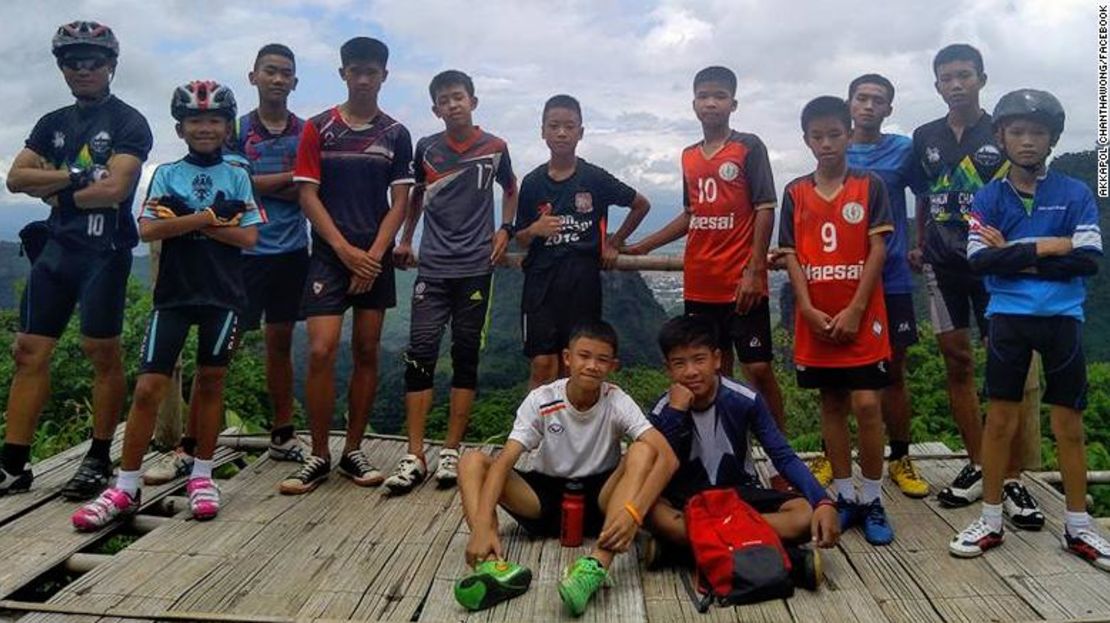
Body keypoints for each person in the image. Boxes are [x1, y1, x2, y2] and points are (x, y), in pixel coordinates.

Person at [71, 81, 262, 529]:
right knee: (147, 389)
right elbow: (147, 230)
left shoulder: (238, 173)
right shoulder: (167, 173)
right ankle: (125, 485)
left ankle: (201, 475)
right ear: (180, 127)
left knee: (211, 383)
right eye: (195, 120)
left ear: (227, 126)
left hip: (223, 294)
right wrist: (210, 218)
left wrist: (184, 220)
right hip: (174, 295)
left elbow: (250, 237)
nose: (205, 128)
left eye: (214, 120)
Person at [951, 89, 1109, 568]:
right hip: (1010, 318)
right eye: (1016, 131)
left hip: (1062, 318)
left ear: (1052, 139)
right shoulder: (989, 195)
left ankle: (1079, 526)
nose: (1026, 141)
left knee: (1069, 426)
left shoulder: (1075, 192)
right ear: (1000, 136)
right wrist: (1047, 248)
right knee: (999, 421)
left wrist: (1013, 253)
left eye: (1037, 132)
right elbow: (978, 260)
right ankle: (991, 519)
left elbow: (1088, 260)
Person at [142, 43, 308, 487]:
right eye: (269, 71)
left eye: (285, 72)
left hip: (290, 249)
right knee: (218, 359)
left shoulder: (305, 131)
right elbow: (235, 182)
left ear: (295, 80)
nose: (277, 78)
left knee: (280, 344)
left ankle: (282, 433)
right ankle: (188, 449)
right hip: (239, 258)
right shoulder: (233, 129)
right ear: (253, 76)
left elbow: (308, 186)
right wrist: (282, 182)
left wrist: (257, 188)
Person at [1, 21, 152, 500]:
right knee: (29, 353)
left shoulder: (130, 121)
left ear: (111, 65)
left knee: (101, 353)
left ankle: (98, 456)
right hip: (57, 253)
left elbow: (115, 190)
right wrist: (78, 175)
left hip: (104, 254)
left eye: (94, 61)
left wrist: (56, 188)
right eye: (73, 61)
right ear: (62, 68)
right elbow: (14, 179)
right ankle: (12, 465)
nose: (83, 69)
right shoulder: (52, 122)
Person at [624, 67, 790, 492]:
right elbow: (691, 214)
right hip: (700, 280)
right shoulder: (689, 156)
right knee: (717, 374)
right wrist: (643, 247)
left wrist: (754, 268)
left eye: (719, 96)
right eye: (703, 96)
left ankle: (780, 461)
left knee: (758, 368)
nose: (711, 103)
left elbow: (765, 207)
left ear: (733, 103)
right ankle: (727, 460)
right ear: (694, 103)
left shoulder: (748, 147)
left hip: (741, 280)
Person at [453, 322, 677, 616]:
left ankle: (595, 567)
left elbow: (667, 458)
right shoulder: (543, 399)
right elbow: (503, 463)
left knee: (643, 449)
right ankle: (489, 563)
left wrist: (634, 513)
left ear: (613, 366)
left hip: (602, 501)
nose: (592, 366)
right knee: (471, 460)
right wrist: (481, 525)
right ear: (567, 358)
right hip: (544, 497)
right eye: (584, 356)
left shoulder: (617, 401)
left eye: (602, 359)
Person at [278, 37, 413, 495]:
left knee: (368, 350)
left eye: (371, 71)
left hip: (373, 255)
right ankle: (319, 453)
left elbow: (400, 202)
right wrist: (344, 251)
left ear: (383, 76)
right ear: (342, 74)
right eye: (354, 70)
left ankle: (353, 448)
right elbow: (307, 194)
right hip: (329, 255)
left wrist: (372, 256)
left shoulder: (395, 133)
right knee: (321, 350)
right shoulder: (319, 128)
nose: (362, 78)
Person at [911, 43, 1035, 511]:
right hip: (943, 267)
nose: (956, 85)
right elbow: (923, 195)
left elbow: (1029, 187)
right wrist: (918, 240)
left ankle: (1013, 474)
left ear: (982, 78)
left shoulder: (1001, 132)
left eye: (964, 75)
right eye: (947, 78)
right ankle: (981, 462)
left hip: (995, 267)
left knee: (1008, 364)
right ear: (937, 85)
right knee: (957, 361)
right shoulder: (925, 136)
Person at [385, 70, 517, 494]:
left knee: (465, 356)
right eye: (445, 100)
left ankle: (450, 450)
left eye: (459, 97)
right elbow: (416, 197)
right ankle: (414, 453)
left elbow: (510, 189)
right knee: (420, 353)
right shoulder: (427, 148)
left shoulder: (495, 147)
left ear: (473, 101)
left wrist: (506, 230)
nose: (453, 105)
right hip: (434, 267)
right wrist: (407, 238)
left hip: (477, 267)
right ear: (435, 109)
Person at [778, 96, 895, 546]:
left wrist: (857, 309)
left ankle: (872, 496)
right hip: (817, 317)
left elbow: (878, 250)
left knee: (867, 404)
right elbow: (790, 254)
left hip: (862, 316)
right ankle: (845, 496)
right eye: (817, 136)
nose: (826, 143)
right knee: (831, 404)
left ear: (848, 134)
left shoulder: (870, 186)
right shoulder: (795, 192)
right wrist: (806, 309)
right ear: (806, 140)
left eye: (834, 134)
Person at [644, 315, 838, 585]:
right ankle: (772, 555)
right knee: (654, 511)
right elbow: (653, 465)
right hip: (687, 498)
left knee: (804, 516)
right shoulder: (662, 410)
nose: (690, 371)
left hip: (738, 493)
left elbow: (781, 455)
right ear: (668, 369)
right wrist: (677, 413)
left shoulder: (744, 399)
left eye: (699, 359)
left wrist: (822, 501)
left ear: (717, 359)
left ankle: (684, 552)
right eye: (680, 363)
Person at [513, 94, 650, 388]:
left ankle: (569, 432)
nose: (561, 133)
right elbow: (521, 238)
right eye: (554, 126)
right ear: (542, 131)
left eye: (569, 126)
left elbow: (640, 204)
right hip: (541, 284)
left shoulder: (594, 178)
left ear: (581, 132)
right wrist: (535, 229)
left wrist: (615, 242)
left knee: (574, 364)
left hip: (582, 283)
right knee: (542, 364)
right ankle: (535, 431)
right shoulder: (533, 182)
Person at [843, 73, 929, 498]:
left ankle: (900, 456)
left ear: (889, 109)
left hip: (892, 275)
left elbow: (924, 193)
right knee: (837, 371)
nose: (869, 106)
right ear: (850, 103)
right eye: (862, 98)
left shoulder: (902, 151)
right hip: (841, 275)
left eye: (878, 100)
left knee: (894, 369)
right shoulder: (835, 145)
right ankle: (832, 453)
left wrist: (921, 241)